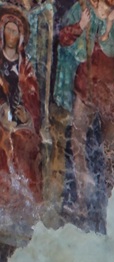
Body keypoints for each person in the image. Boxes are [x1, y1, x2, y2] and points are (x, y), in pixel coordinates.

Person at [55, 0, 114, 211]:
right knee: (77, 143)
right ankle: (83, 200)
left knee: (111, 151)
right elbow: (63, 39)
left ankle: (112, 205)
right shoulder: (82, 10)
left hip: (110, 95)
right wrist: (80, 27)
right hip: (85, 89)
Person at [0, 8, 42, 225]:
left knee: (23, 145)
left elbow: (33, 95)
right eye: (7, 30)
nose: (10, 35)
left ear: (20, 37)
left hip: (18, 121)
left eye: (14, 31)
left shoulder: (25, 65)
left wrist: (25, 112)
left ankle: (22, 205)